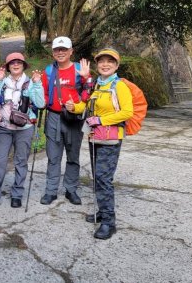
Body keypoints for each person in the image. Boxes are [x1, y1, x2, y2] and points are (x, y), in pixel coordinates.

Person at [66, 48, 133, 239]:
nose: (105, 64)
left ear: (116, 65)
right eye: (101, 61)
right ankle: (102, 212)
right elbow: (87, 106)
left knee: (104, 178)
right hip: (95, 137)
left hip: (111, 139)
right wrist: (74, 107)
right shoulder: (96, 84)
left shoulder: (119, 86)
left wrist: (102, 120)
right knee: (98, 177)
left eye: (109, 62)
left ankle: (109, 222)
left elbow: (128, 112)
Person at [0, 53, 45, 210]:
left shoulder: (31, 82)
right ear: (7, 66)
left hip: (25, 128)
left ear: (24, 65)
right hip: (4, 127)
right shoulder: (3, 81)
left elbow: (40, 103)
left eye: (19, 62)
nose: (15, 64)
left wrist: (38, 84)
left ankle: (17, 194)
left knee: (21, 161)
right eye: (12, 62)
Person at [40, 36, 90, 206]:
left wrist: (86, 78)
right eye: (56, 50)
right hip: (53, 117)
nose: (60, 52)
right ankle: (51, 190)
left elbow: (89, 94)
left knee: (72, 155)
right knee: (53, 157)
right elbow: (45, 94)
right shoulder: (48, 71)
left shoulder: (79, 69)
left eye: (63, 49)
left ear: (71, 51)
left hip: (74, 118)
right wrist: (42, 101)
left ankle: (71, 189)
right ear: (53, 52)